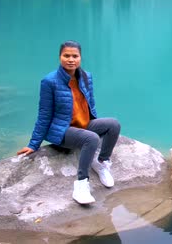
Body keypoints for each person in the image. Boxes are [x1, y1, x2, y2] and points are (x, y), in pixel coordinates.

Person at [17, 41, 121, 205]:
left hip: (82, 125)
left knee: (113, 124)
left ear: (80, 57)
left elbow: (90, 104)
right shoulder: (49, 81)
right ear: (60, 57)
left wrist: (95, 125)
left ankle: (100, 162)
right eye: (66, 56)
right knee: (91, 139)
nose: (71, 59)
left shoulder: (86, 76)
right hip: (62, 131)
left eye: (75, 56)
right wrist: (34, 144)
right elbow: (44, 114)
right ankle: (81, 185)